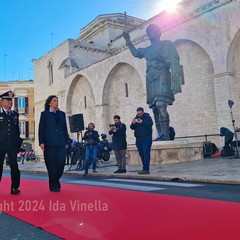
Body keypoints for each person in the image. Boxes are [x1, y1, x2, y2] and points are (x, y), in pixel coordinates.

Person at [123, 24, 184, 140]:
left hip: (162, 75)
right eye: (148, 32)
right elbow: (136, 53)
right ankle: (160, 133)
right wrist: (128, 41)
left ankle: (165, 133)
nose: (149, 33)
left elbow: (174, 61)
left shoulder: (166, 44)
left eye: (152, 31)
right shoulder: (148, 50)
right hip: (150, 78)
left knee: (161, 104)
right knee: (155, 108)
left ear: (158, 32)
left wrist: (164, 61)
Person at [38, 95, 69, 192]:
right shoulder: (44, 114)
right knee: (51, 165)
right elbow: (41, 129)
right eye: (54, 101)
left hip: (60, 143)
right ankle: (54, 185)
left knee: (61, 164)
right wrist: (41, 142)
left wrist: (66, 140)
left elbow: (64, 128)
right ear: (49, 103)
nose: (57, 102)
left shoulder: (62, 114)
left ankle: (55, 179)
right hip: (49, 143)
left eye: (57, 100)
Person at [0, 91, 22, 194]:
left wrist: (18, 145)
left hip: (12, 145)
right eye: (8, 100)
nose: (10, 102)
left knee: (14, 166)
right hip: (0, 145)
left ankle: (14, 187)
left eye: (11, 100)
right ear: (2, 101)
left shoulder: (15, 115)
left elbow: (16, 130)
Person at [130, 107, 153, 174]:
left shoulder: (147, 117)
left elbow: (149, 125)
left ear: (143, 112)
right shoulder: (136, 117)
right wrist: (134, 122)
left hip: (146, 138)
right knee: (141, 153)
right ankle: (144, 167)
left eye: (140, 113)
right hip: (138, 138)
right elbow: (131, 127)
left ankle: (146, 168)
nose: (139, 115)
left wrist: (142, 122)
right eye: (138, 113)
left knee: (146, 153)